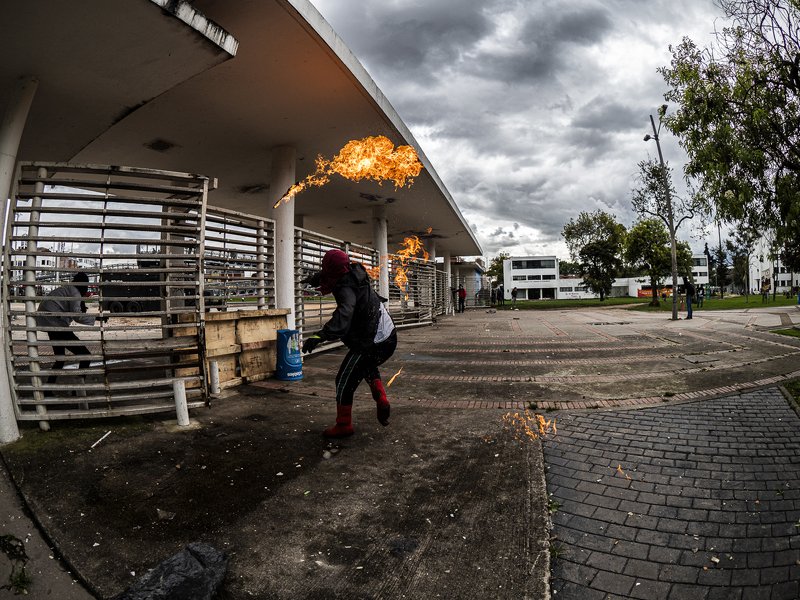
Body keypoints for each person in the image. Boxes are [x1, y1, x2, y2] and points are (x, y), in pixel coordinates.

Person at [301, 249, 396, 438]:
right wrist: (314, 278)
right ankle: (381, 396)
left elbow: (344, 314)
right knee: (366, 366)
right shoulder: (354, 272)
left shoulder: (345, 287)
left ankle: (344, 425)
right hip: (389, 336)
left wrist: (320, 336)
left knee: (343, 380)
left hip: (372, 341)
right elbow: (332, 273)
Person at [35, 272, 100, 392]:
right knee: (85, 356)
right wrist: (97, 318)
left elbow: (70, 312)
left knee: (60, 359)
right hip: (54, 322)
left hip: (49, 321)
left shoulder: (69, 289)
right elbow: (77, 316)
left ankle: (48, 389)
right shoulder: (74, 292)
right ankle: (78, 390)